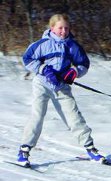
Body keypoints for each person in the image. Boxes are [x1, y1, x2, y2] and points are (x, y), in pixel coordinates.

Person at [17, 14, 105, 167]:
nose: (63, 31)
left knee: (74, 117)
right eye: (60, 28)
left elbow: (83, 64)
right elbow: (28, 59)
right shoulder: (42, 44)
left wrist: (74, 72)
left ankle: (90, 149)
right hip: (42, 84)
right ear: (52, 28)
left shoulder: (73, 46)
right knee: (37, 116)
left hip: (61, 86)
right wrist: (44, 69)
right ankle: (24, 150)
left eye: (66, 28)